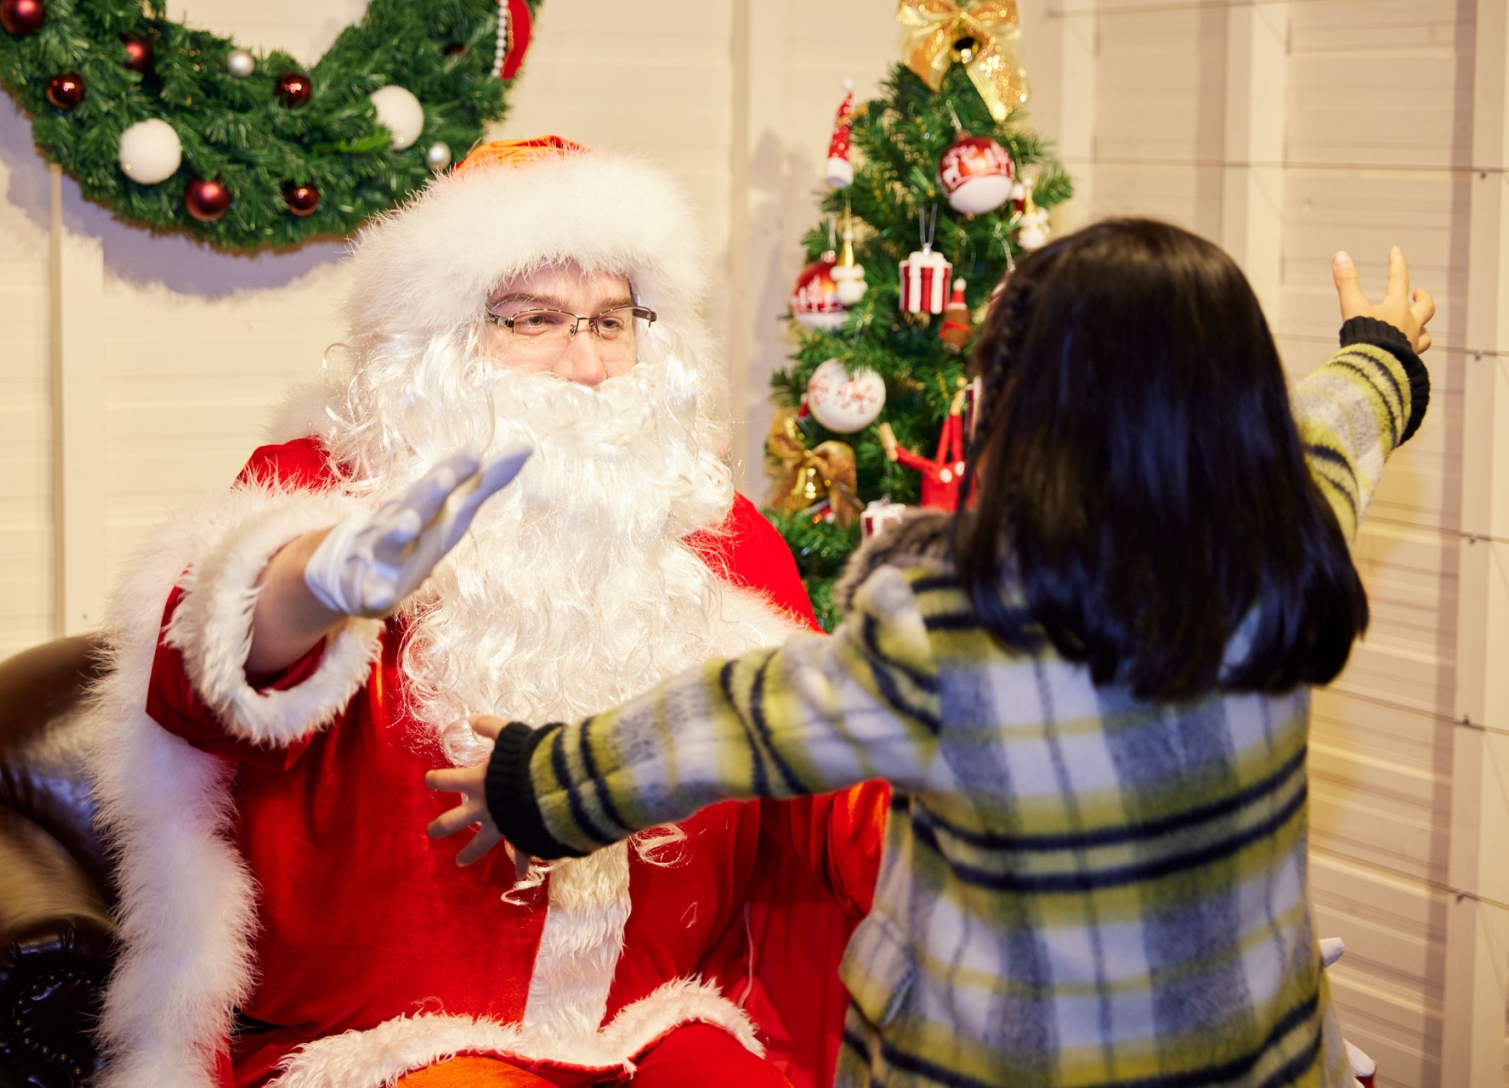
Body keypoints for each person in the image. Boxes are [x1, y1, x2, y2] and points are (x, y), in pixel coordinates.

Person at [426, 221, 1434, 1088]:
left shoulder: (957, 637)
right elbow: (1327, 440)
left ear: (1023, 412)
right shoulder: (1277, 549)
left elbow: (730, 721)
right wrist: (1379, 358)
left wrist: (533, 782)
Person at [86, 136, 886, 1088]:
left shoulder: (720, 533)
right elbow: (195, 694)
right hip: (389, 1042)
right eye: (534, 320)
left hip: (657, 1024)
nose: (584, 365)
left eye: (609, 321)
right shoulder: (318, 490)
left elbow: (817, 772)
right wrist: (318, 583)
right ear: (446, 337)